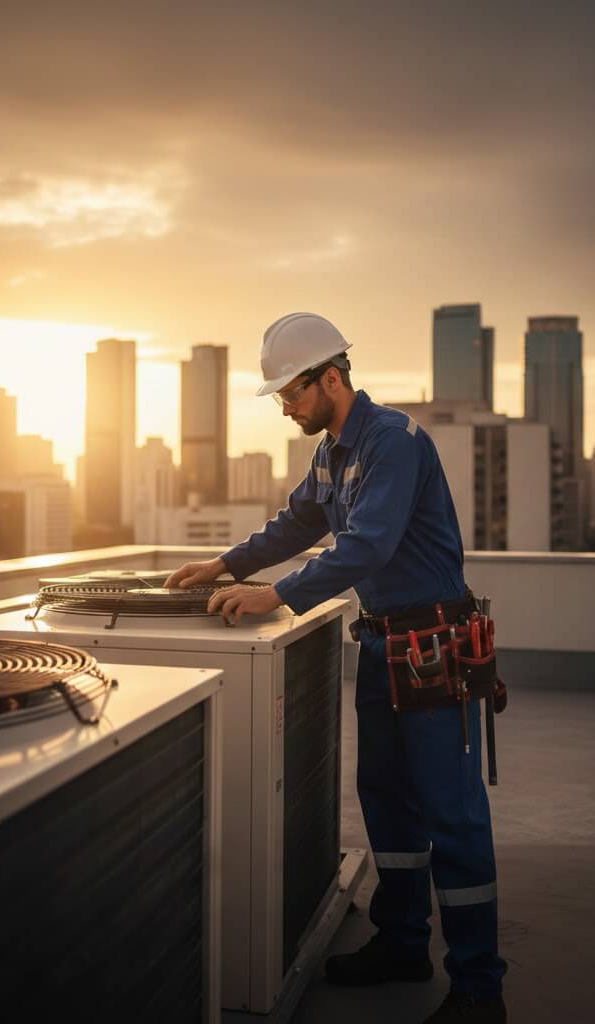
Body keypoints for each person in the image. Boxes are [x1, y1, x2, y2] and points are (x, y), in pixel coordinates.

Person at [164, 312, 507, 1023]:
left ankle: (479, 986)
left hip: (434, 648)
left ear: (331, 378)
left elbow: (367, 547)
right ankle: (402, 943)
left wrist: (275, 594)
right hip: (384, 646)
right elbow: (297, 524)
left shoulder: (392, 443)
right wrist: (222, 565)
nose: (284, 407)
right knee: (387, 799)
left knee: (452, 814)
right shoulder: (334, 453)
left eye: (290, 393)